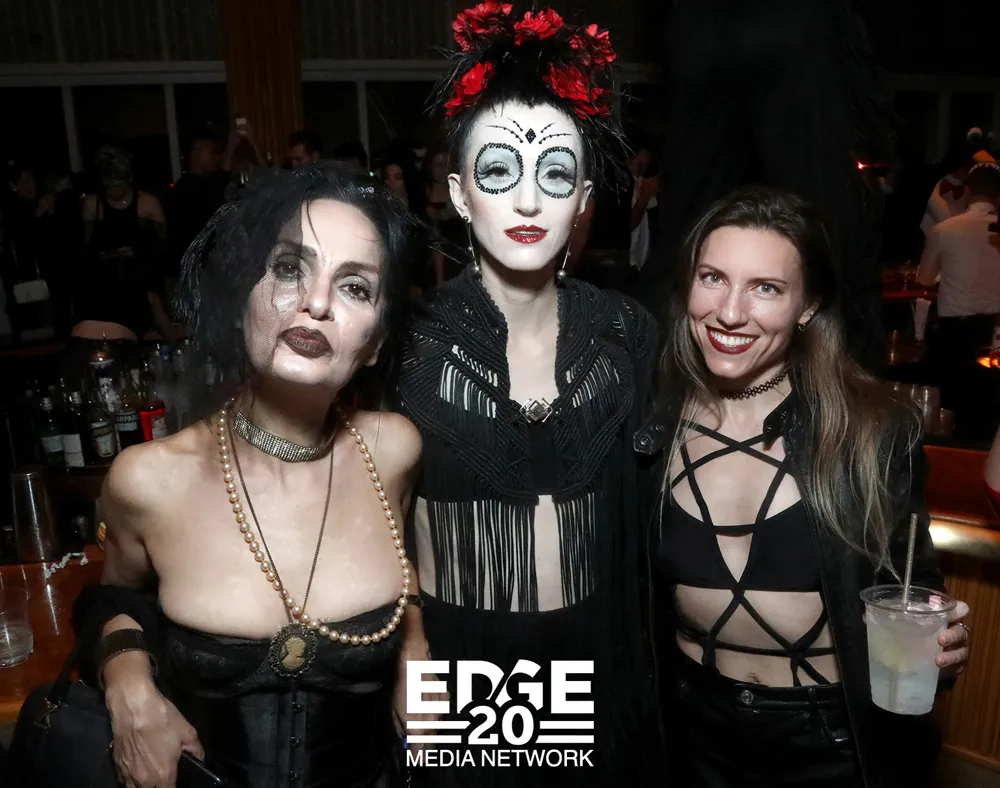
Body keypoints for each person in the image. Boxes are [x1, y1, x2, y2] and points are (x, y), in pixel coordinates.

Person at [72, 164, 430, 788]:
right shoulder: (149, 479)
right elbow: (117, 600)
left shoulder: (393, 449)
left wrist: (416, 658)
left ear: (375, 342)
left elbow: (404, 570)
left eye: (355, 287)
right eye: (289, 268)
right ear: (243, 300)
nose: (317, 303)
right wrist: (127, 683)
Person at [397, 5, 657, 786]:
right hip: (456, 670)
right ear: (458, 194)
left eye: (555, 176)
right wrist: (410, 655)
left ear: (583, 199)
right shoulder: (404, 348)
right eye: (499, 172)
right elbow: (362, 516)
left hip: (597, 666)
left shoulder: (626, 335)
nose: (529, 202)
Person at [635, 185, 971, 788]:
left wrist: (942, 641)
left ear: (808, 305)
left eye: (766, 288)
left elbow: (912, 586)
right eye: (713, 278)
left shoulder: (872, 431)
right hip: (689, 732)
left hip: (830, 742)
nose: (730, 312)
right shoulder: (650, 424)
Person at [917, 161, 1000, 436]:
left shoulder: (946, 229)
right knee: (987, 418)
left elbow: (924, 278)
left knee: (951, 412)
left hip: (954, 336)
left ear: (968, 191)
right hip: (994, 336)